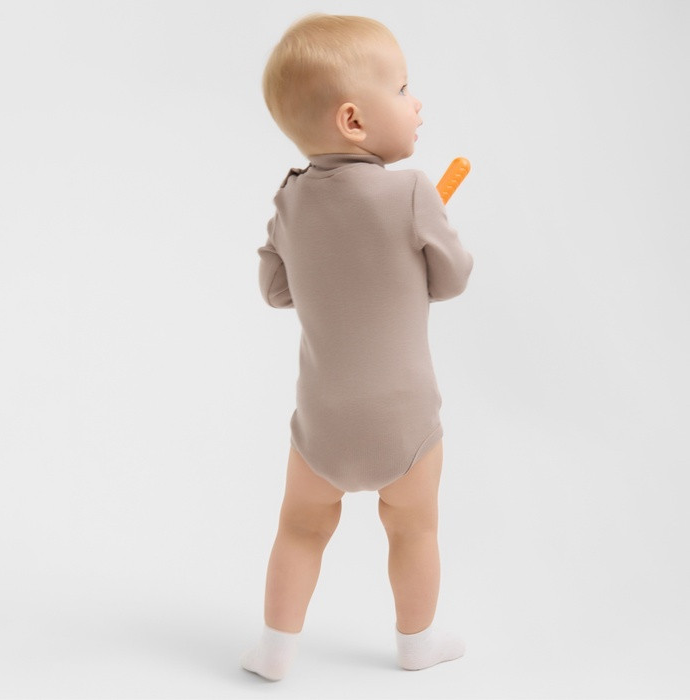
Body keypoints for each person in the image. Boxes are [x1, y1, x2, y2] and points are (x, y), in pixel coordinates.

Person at [241, 13, 474, 681]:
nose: (416, 102)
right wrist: (435, 231)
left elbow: (276, 291)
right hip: (406, 423)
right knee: (414, 530)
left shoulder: (290, 199)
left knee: (300, 528)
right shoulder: (412, 191)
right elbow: (452, 280)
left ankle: (275, 651)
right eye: (401, 89)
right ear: (353, 120)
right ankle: (416, 643)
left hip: (322, 425)